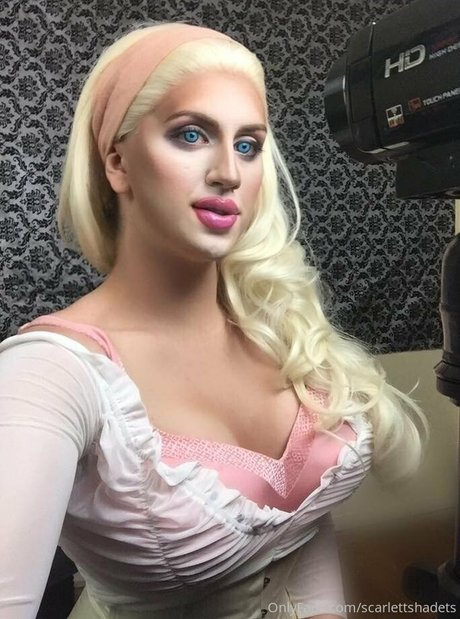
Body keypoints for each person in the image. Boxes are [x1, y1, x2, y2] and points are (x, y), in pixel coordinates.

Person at [0, 21, 428, 619]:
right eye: (191, 134)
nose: (229, 170)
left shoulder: (276, 326)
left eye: (248, 145)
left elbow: (303, 528)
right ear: (117, 161)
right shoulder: (50, 378)